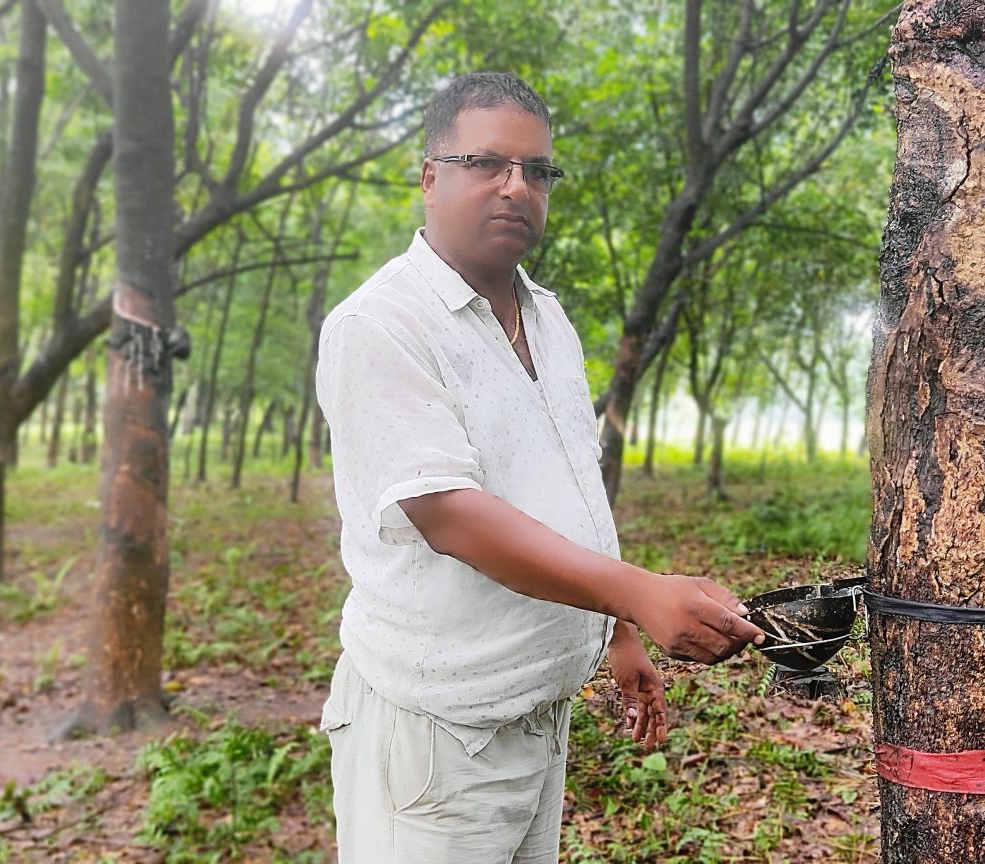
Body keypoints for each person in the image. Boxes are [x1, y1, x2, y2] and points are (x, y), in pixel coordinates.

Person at [313, 71, 767, 863]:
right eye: (487, 163)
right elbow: (449, 514)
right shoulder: (380, 325)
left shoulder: (547, 316)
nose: (516, 187)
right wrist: (637, 591)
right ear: (430, 176)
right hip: (434, 739)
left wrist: (618, 632)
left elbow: (570, 485)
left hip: (538, 722)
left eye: (537, 171)